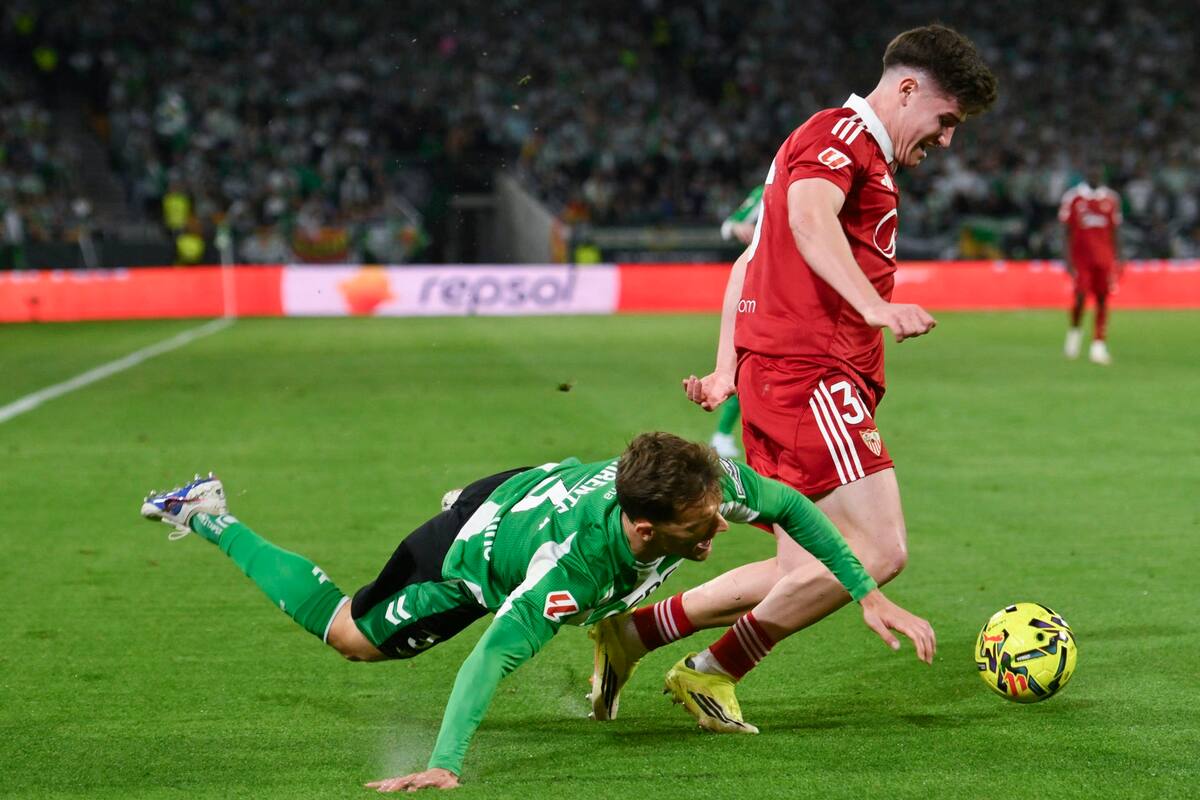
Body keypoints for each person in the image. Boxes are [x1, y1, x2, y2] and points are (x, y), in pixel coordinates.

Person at [590, 24, 996, 733]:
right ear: (907, 89)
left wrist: (726, 367)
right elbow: (809, 221)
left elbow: (753, 261)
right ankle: (713, 672)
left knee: (795, 574)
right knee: (880, 549)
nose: (946, 140)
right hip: (814, 378)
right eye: (947, 120)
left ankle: (633, 635)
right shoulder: (840, 138)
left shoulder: (820, 142)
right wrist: (874, 307)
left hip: (782, 378)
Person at [140, 433, 932, 792]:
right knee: (353, 635)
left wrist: (867, 593)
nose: (721, 528)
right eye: (705, 526)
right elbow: (493, 655)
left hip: (537, 488)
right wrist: (447, 761)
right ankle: (208, 512)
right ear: (648, 528)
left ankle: (620, 627)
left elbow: (790, 504)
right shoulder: (570, 573)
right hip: (473, 554)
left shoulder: (701, 485)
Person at [710, 185, 765, 459]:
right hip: (759, 283)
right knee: (751, 360)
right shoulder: (768, 190)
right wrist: (736, 228)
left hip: (785, 286)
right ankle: (723, 434)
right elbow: (728, 225)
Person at [1059, 166, 1123, 365]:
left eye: (1098, 173)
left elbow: (1116, 231)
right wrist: (1067, 258)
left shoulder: (1111, 199)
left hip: (1104, 258)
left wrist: (1119, 257)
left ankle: (1098, 345)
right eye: (1092, 173)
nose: (1095, 175)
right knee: (1080, 297)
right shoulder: (1074, 198)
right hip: (1081, 259)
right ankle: (1074, 334)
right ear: (1087, 175)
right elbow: (1065, 230)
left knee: (1103, 299)